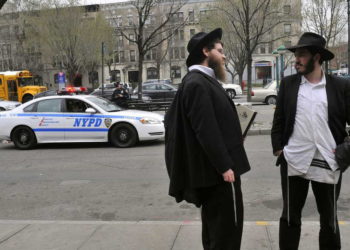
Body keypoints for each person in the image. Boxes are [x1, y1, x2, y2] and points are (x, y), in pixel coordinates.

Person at [165, 28, 251, 250]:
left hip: (215, 174)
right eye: (220, 51)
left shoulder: (201, 81)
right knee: (226, 234)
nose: (224, 56)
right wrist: (225, 166)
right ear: (205, 51)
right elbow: (206, 130)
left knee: (216, 231)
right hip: (219, 176)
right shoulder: (197, 83)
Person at [271, 32, 350, 250]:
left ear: (317, 57)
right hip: (294, 160)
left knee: (329, 220)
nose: (296, 59)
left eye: (302, 54)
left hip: (329, 161)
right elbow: (279, 121)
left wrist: (345, 152)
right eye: (296, 54)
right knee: (290, 217)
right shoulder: (288, 84)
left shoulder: (340, 87)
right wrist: (279, 149)